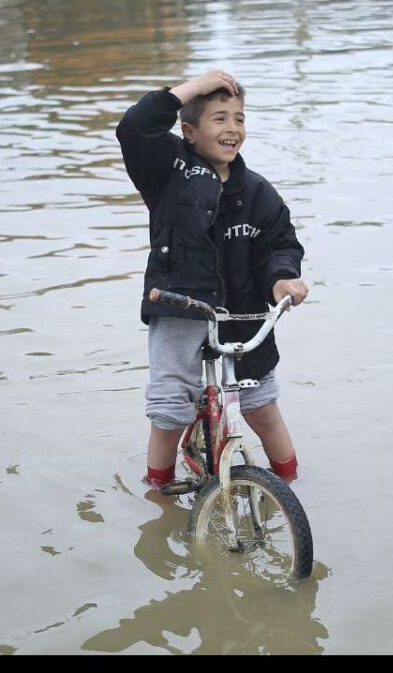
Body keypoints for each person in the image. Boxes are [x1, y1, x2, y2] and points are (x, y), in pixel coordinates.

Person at [115, 70, 309, 490]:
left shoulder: (258, 192)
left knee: (262, 407)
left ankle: (291, 490)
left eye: (239, 119)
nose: (232, 128)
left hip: (243, 313)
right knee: (169, 414)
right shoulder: (167, 171)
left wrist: (282, 280)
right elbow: (135, 127)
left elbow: (280, 244)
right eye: (219, 118)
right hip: (179, 308)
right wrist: (193, 88)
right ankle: (158, 498)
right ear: (189, 131)